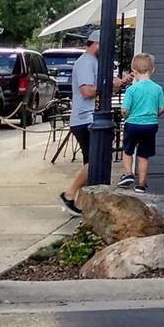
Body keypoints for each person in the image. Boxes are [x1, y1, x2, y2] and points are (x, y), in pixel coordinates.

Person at [60, 31, 102, 214]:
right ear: (97, 44)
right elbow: (87, 91)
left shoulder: (92, 62)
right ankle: (69, 194)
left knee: (91, 160)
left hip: (88, 118)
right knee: (95, 159)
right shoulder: (86, 62)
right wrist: (108, 85)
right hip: (85, 118)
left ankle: (78, 202)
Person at [117, 53, 164, 191]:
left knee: (128, 150)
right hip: (150, 125)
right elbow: (161, 109)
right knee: (144, 155)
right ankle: (141, 184)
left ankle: (128, 174)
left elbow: (125, 110)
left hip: (133, 124)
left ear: (134, 71)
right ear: (152, 70)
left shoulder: (131, 89)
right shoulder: (157, 88)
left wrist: (127, 115)